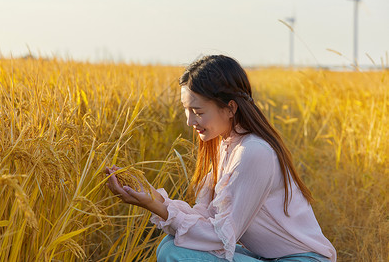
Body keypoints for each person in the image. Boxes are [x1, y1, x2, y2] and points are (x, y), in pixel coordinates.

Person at [105, 55, 336, 261]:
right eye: (186, 110)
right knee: (172, 244)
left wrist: (154, 206)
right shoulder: (224, 146)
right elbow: (207, 217)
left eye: (198, 112)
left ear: (230, 108)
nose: (189, 122)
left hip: (303, 259)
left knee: (174, 252)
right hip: (265, 257)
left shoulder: (253, 151)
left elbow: (219, 235)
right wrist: (151, 196)